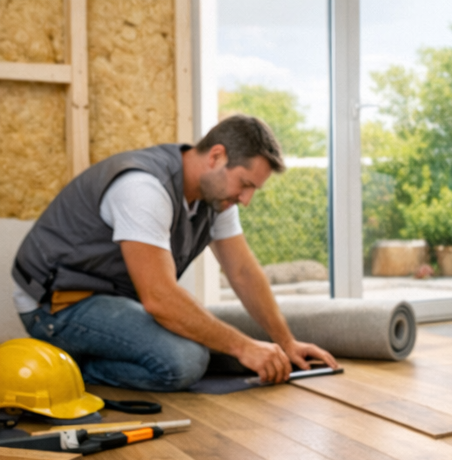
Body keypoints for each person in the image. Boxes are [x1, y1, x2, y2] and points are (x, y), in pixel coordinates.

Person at [11, 114, 337, 390]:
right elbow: (159, 298)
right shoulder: (144, 187)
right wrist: (243, 347)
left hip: (113, 300)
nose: (246, 198)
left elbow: (243, 273)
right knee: (185, 360)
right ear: (217, 157)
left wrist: (285, 342)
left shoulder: (217, 197)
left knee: (222, 343)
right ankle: (73, 372)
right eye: (246, 184)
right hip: (57, 305)